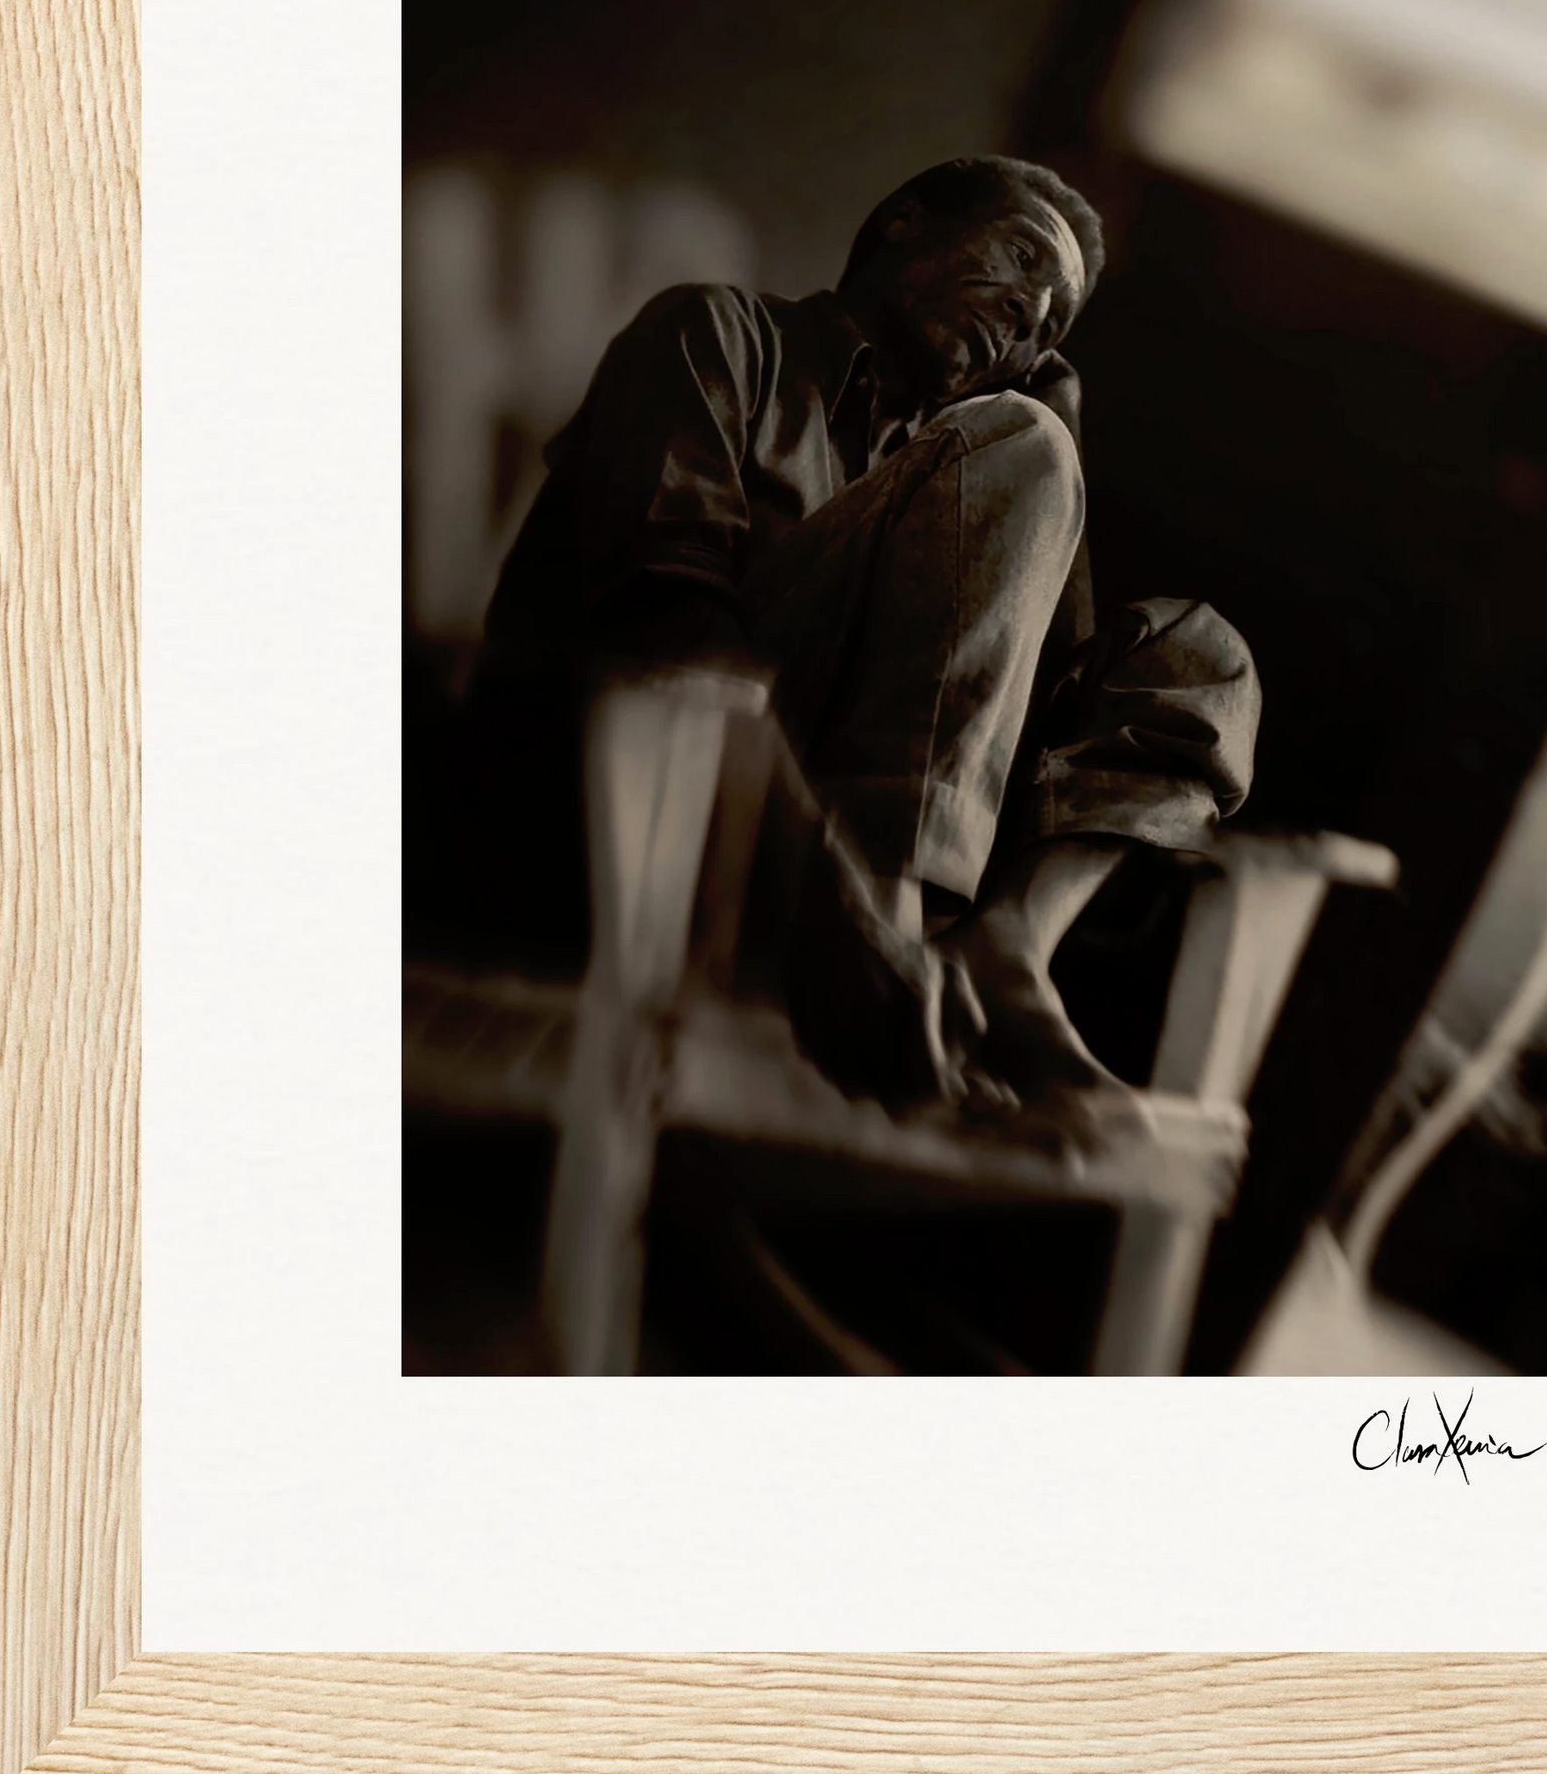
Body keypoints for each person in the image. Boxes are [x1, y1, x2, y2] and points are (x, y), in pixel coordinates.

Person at [459, 155, 1260, 1124]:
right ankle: (886, 911)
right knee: (1010, 450)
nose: (1026, 309)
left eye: (1049, 321)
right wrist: (841, 911)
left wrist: (1056, 440)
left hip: (829, 859)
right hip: (624, 811)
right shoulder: (718, 333)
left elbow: (1032, 723)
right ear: (902, 222)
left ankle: (1007, 944)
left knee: (1199, 656)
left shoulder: (978, 456)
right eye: (1018, 257)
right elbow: (667, 632)